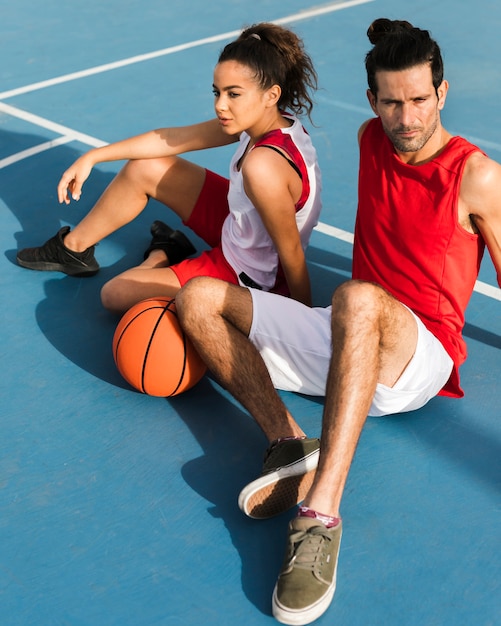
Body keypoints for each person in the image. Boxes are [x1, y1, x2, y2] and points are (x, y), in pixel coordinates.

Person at [175, 17, 501, 626]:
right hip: (345, 338)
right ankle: (289, 443)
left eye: (421, 100)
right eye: (392, 102)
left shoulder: (477, 175)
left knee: (356, 297)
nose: (406, 118)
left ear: (444, 93)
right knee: (196, 298)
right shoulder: (369, 139)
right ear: (372, 99)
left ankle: (319, 515)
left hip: (418, 354)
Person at [17, 23, 321, 312]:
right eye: (218, 92)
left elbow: (291, 255)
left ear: (272, 94)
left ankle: (162, 253)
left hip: (251, 276)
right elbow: (173, 138)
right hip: (244, 228)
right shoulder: (267, 120)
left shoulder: (263, 167)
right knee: (145, 167)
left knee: (114, 294)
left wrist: (302, 322)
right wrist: (94, 156)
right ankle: (72, 249)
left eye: (233, 94)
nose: (220, 105)